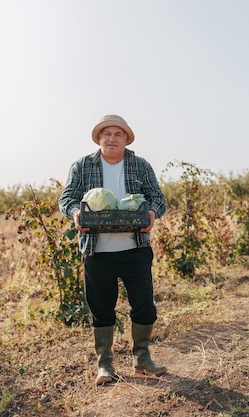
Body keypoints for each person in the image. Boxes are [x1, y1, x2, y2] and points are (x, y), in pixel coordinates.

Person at [59, 114, 167, 385]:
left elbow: (157, 197)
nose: (111, 138)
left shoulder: (140, 166)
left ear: (126, 138)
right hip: (97, 251)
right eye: (106, 133)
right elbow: (67, 198)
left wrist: (153, 211)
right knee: (101, 308)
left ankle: (143, 359)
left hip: (135, 248)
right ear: (99, 138)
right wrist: (75, 213)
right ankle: (105, 365)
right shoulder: (83, 166)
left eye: (118, 134)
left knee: (144, 306)